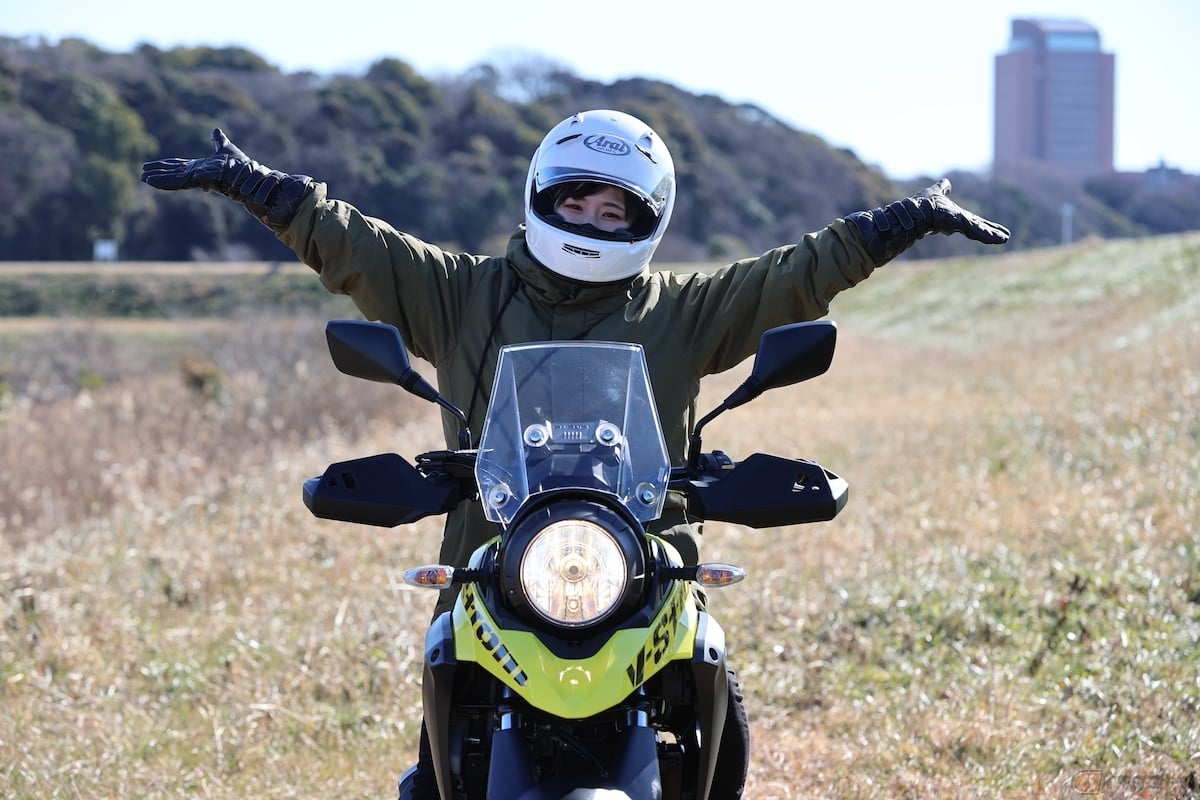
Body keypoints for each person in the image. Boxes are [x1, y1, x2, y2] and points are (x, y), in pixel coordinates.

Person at [141, 109, 1010, 799]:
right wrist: (258, 186)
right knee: (439, 746)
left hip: (640, 560)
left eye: (613, 211)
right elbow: (358, 247)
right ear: (541, 198)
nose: (590, 220)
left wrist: (903, 218)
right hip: (495, 559)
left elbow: (794, 274)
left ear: (647, 222)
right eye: (575, 201)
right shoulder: (459, 292)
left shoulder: (685, 308)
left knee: (709, 684)